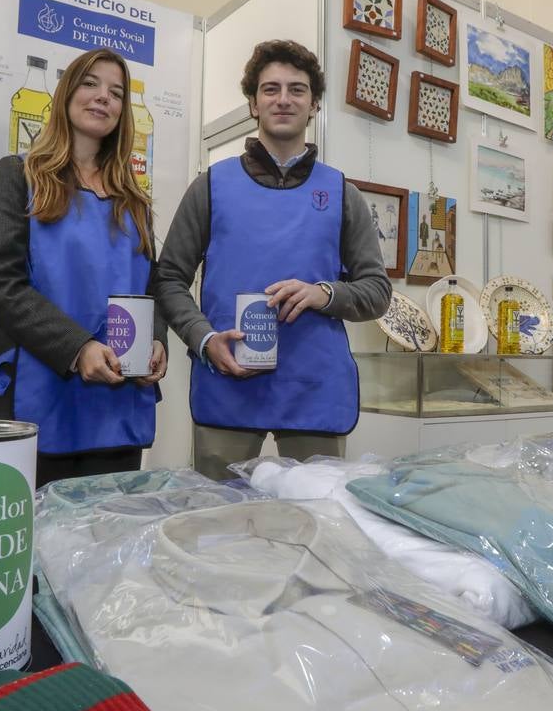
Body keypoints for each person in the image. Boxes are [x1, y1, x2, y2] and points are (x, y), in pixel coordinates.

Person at [153, 39, 391, 479]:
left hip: (314, 389)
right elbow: (168, 279)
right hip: (228, 381)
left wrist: (325, 294)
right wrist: (202, 338)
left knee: (310, 525)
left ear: (314, 104)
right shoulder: (210, 187)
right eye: (271, 89)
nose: (284, 99)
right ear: (252, 103)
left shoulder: (343, 194)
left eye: (297, 90)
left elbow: (377, 292)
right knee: (217, 525)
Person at [0, 48, 166, 487]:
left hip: (117, 406)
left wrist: (156, 338)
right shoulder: (18, 175)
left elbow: (154, 284)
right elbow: (3, 285)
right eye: (90, 84)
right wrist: (78, 349)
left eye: (116, 93)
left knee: (105, 540)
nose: (104, 98)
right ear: (65, 94)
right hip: (37, 401)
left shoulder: (134, 201)